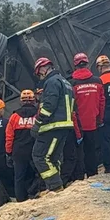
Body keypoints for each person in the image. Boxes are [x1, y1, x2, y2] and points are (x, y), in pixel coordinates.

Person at [31, 57, 75, 192]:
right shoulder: (65, 82)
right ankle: (57, 185)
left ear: (43, 69)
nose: (40, 76)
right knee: (54, 158)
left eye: (39, 73)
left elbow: (48, 106)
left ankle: (55, 186)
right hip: (64, 125)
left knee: (39, 156)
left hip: (52, 126)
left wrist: (37, 123)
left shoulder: (51, 82)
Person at [70, 52, 105, 177]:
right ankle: (92, 174)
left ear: (75, 65)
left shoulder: (72, 84)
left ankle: (79, 176)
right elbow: (102, 102)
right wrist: (100, 119)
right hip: (93, 122)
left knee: (78, 151)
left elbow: (70, 106)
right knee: (91, 150)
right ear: (87, 64)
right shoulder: (97, 81)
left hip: (77, 124)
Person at [6, 90, 39, 202]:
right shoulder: (38, 114)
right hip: (35, 150)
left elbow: (9, 136)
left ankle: (20, 199)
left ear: (21, 101)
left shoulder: (14, 117)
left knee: (19, 177)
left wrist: (9, 152)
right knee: (39, 173)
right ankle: (34, 193)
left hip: (18, 151)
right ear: (34, 100)